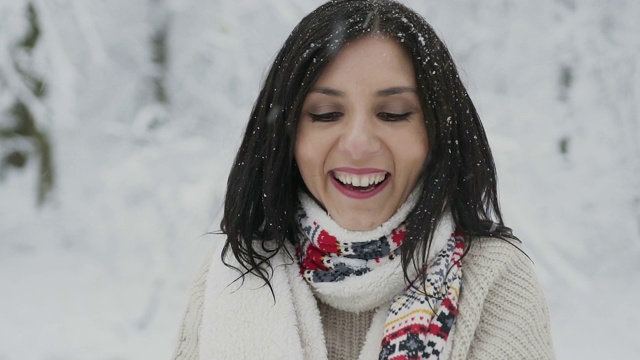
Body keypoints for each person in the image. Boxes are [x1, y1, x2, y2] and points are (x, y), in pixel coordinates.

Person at [173, 1, 555, 359]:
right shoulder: (233, 273)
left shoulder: (496, 282)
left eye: (392, 114)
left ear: (437, 131)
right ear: (287, 136)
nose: (358, 145)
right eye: (324, 114)